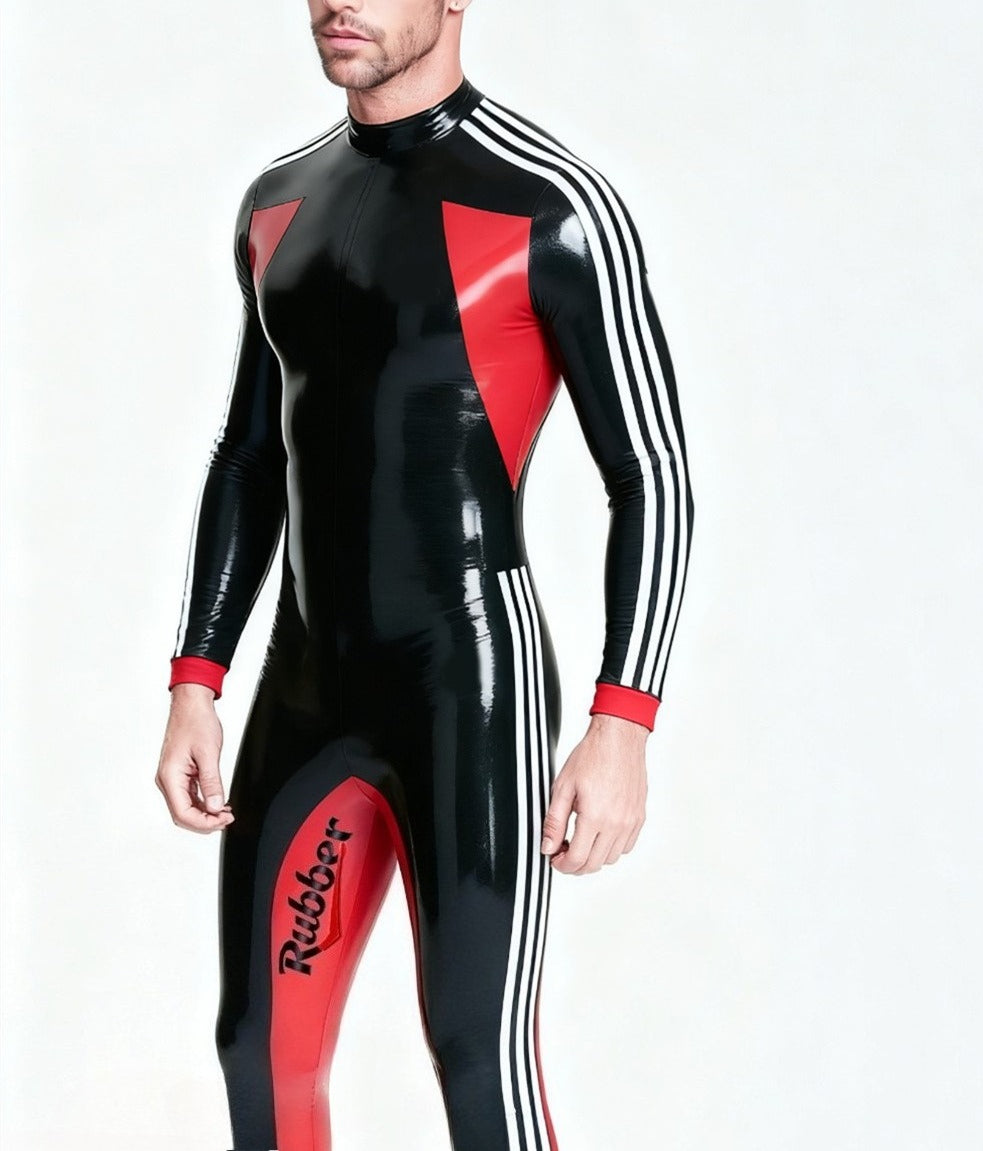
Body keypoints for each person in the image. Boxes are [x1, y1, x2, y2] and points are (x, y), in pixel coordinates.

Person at [154, 0, 694, 1147]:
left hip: (465, 692)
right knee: (260, 1049)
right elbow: (250, 453)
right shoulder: (279, 202)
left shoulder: (553, 207)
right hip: (305, 690)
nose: (335, 1)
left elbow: (650, 474)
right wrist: (198, 677)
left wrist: (622, 722)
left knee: (475, 1052)